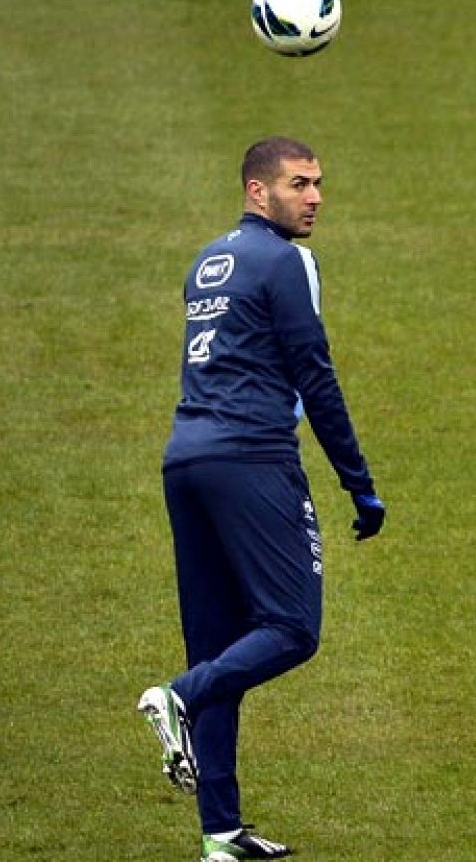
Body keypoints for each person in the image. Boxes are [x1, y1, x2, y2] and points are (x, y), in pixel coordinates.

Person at [138, 137, 386, 861]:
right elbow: (314, 370)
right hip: (252, 460)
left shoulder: (207, 262)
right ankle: (178, 695)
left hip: (186, 460)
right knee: (291, 627)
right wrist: (358, 481)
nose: (314, 197)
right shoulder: (287, 260)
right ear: (257, 192)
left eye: (318, 183)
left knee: (221, 645)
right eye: (299, 183)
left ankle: (220, 832)